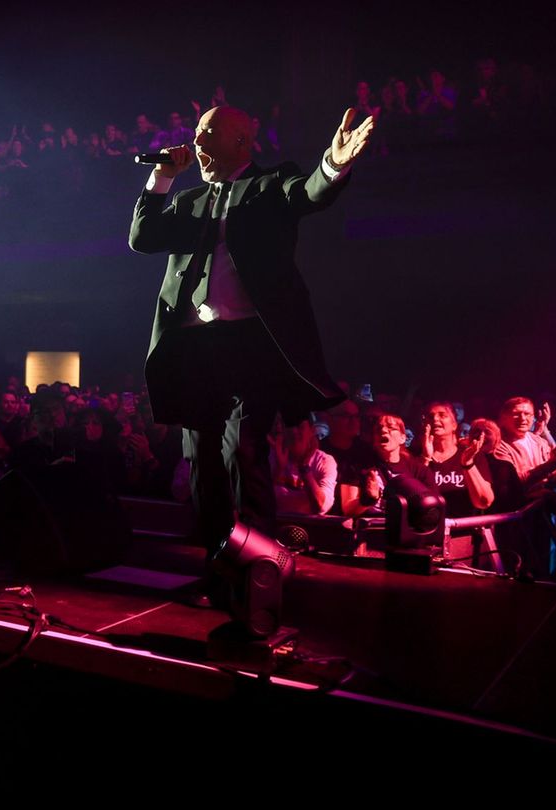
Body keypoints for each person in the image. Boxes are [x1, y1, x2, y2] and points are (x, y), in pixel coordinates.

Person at [129, 103, 375, 565]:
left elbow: (309, 193)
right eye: (197, 134)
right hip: (194, 347)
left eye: (209, 134)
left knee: (243, 451)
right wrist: (161, 178)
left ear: (241, 141)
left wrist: (334, 164)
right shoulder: (188, 201)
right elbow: (142, 238)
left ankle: (258, 562)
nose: (197, 143)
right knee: (201, 458)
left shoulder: (269, 184)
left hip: (249, 344)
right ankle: (217, 558)